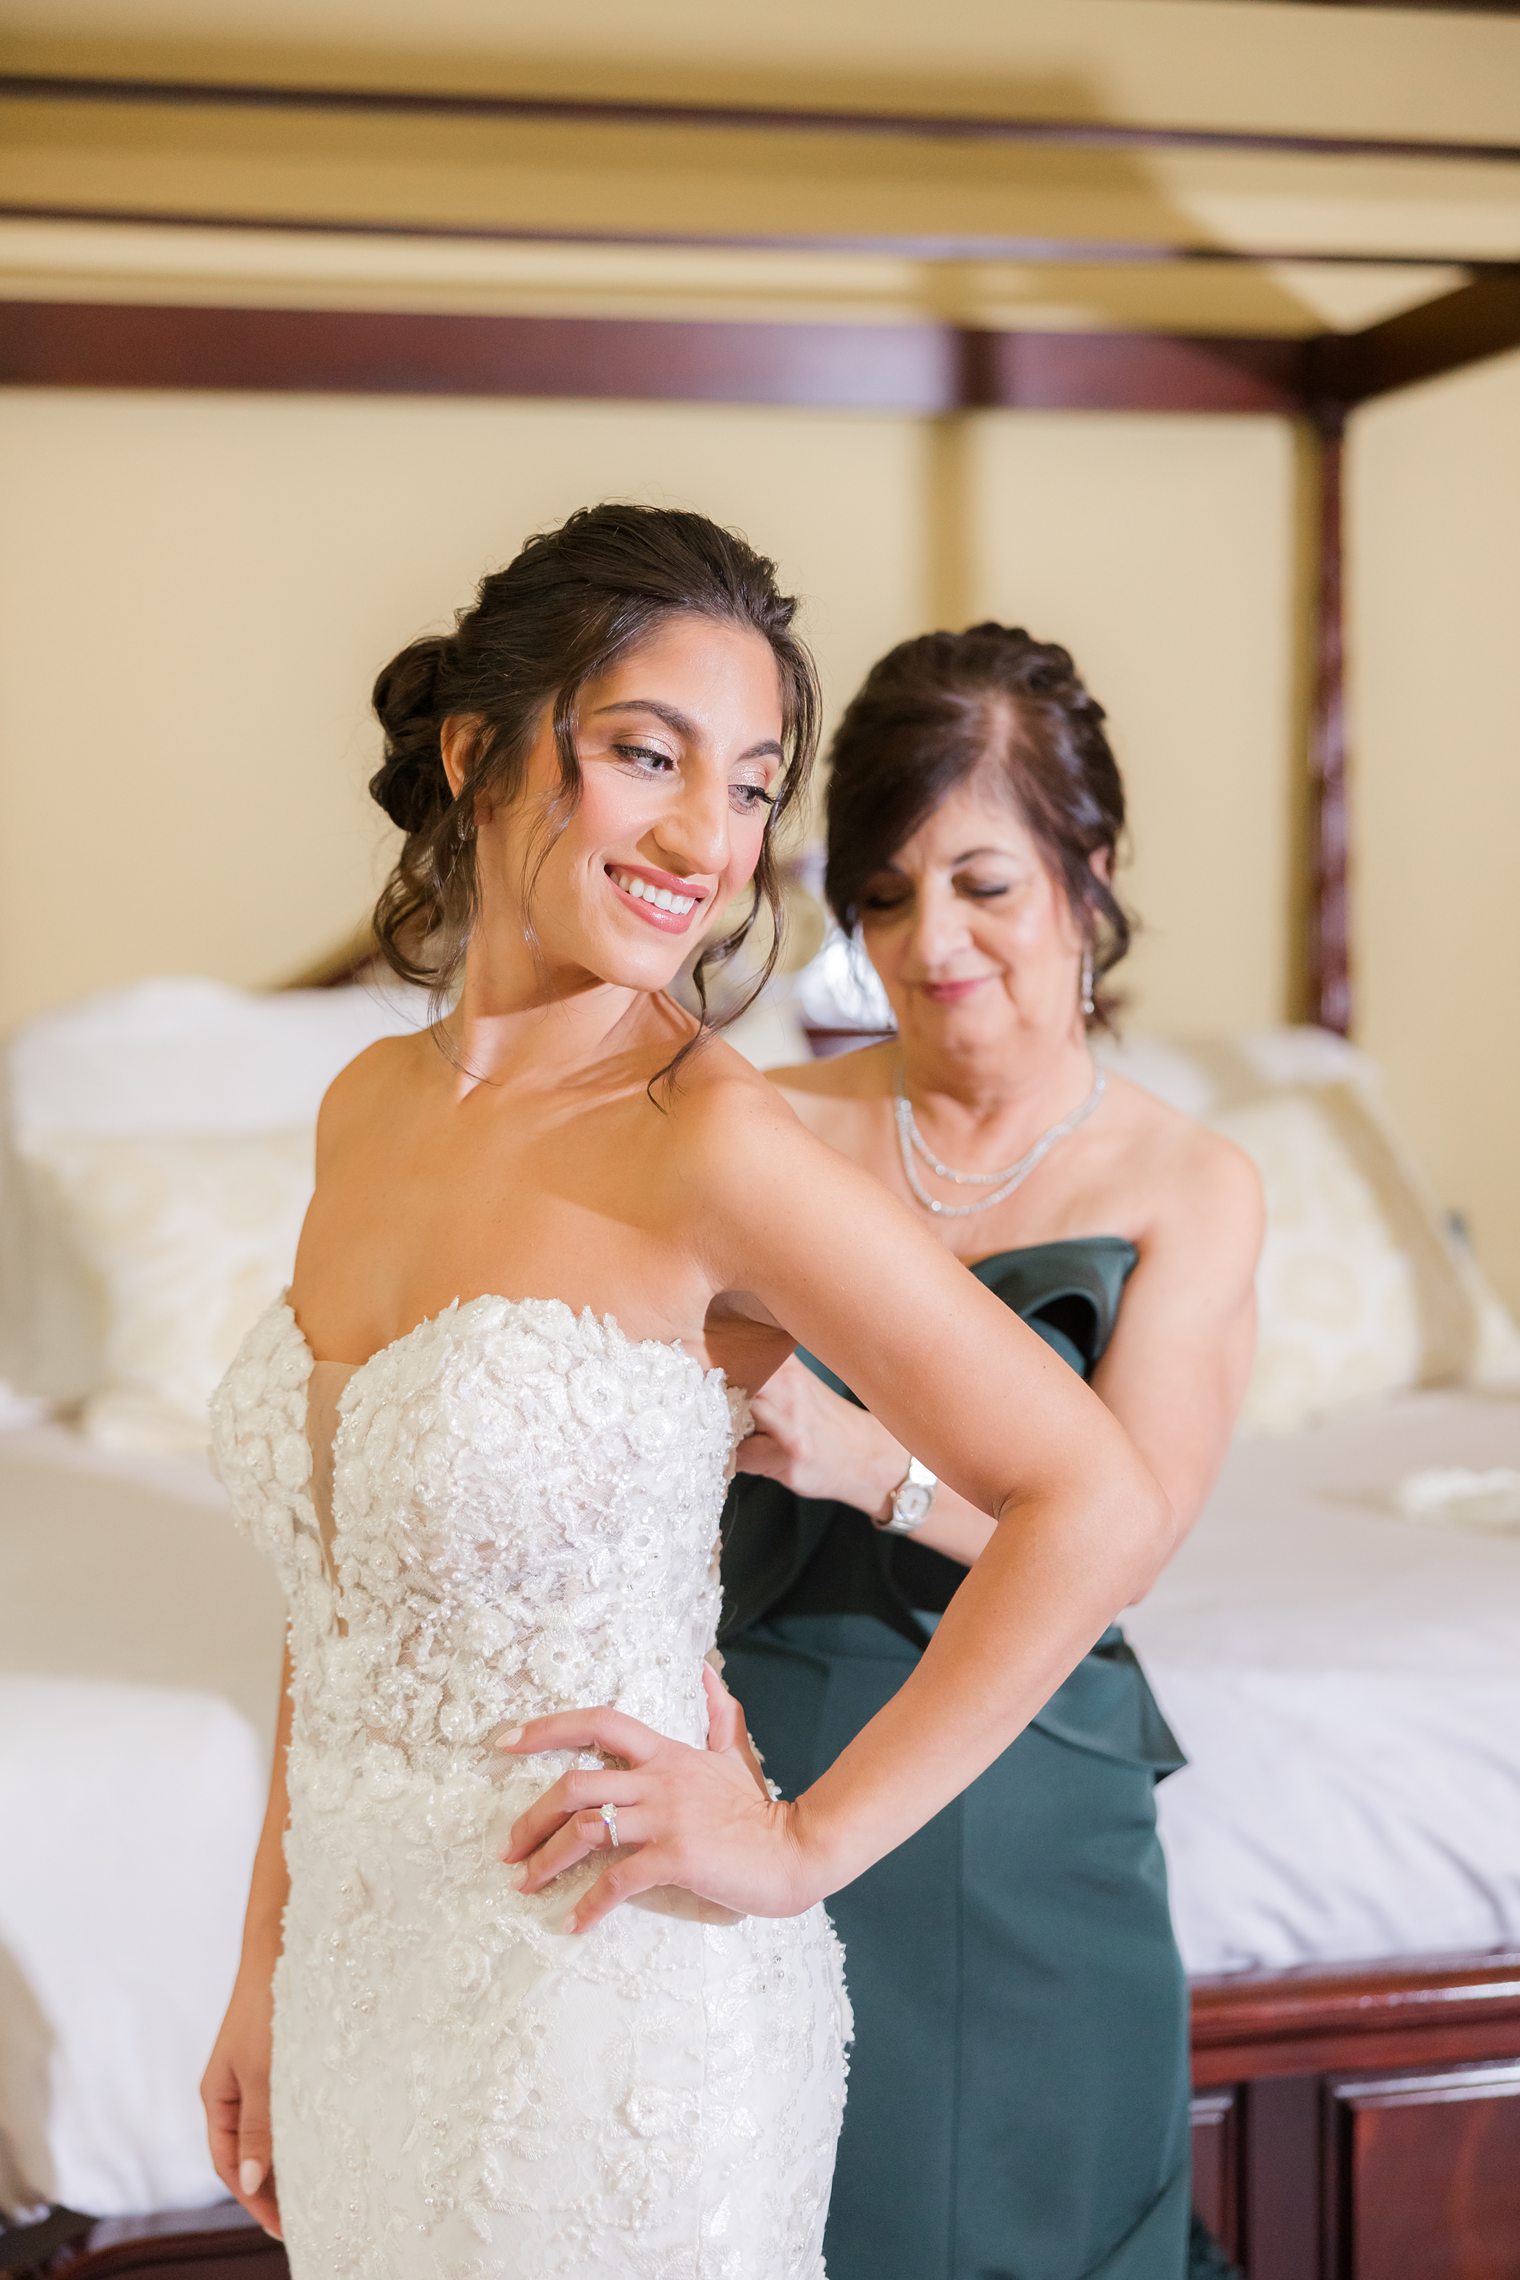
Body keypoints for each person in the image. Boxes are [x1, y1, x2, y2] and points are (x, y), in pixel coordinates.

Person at [201, 512, 1170, 2280]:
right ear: (479, 750)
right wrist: (267, 1961)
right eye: (649, 757)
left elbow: (1094, 1499)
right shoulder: (364, 1106)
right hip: (363, 2004)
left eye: (747, 788)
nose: (700, 842)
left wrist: (804, 1845)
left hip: (615, 2035)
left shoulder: (710, 1136)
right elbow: (332, 1611)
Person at [720, 623, 1263, 2280]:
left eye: (984, 886)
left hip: (1030, 1745)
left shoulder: (1189, 1185)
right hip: (758, 1733)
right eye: (882, 898)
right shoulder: (765, 1127)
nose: (929, 944)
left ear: (1088, 877)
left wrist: (855, 1457)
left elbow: (1136, 1533)